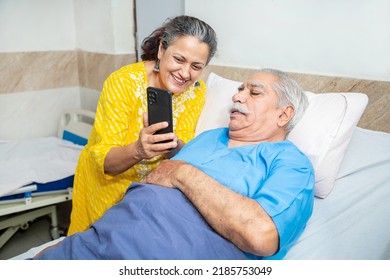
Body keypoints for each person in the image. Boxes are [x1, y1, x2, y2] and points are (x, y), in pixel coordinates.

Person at [33, 69, 314, 260]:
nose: (237, 96)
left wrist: (182, 173)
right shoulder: (210, 138)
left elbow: (262, 236)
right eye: (240, 90)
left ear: (284, 114)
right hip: (97, 242)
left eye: (254, 92)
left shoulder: (291, 164)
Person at [67, 15, 218, 235]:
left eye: (196, 66)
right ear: (161, 51)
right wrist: (138, 150)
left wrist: (171, 144)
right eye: (179, 59)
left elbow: (183, 149)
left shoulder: (196, 91)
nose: (185, 73)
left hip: (146, 197)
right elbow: (107, 162)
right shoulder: (122, 83)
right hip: (104, 189)